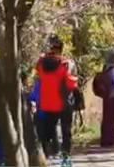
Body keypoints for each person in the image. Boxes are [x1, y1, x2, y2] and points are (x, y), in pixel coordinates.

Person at [35, 35, 78, 167]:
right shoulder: (66, 63)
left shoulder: (41, 64)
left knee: (46, 132)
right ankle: (65, 159)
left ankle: (46, 158)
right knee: (66, 132)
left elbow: (39, 74)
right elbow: (72, 84)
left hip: (46, 103)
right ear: (61, 48)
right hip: (63, 103)